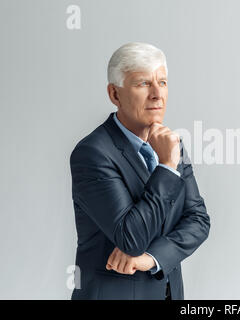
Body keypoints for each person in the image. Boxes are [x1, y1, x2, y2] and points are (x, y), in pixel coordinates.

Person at [69, 42, 210, 300]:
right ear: (115, 94)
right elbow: (130, 237)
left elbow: (198, 221)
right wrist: (167, 167)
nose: (157, 94)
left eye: (163, 82)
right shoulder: (92, 153)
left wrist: (151, 258)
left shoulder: (172, 144)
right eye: (143, 84)